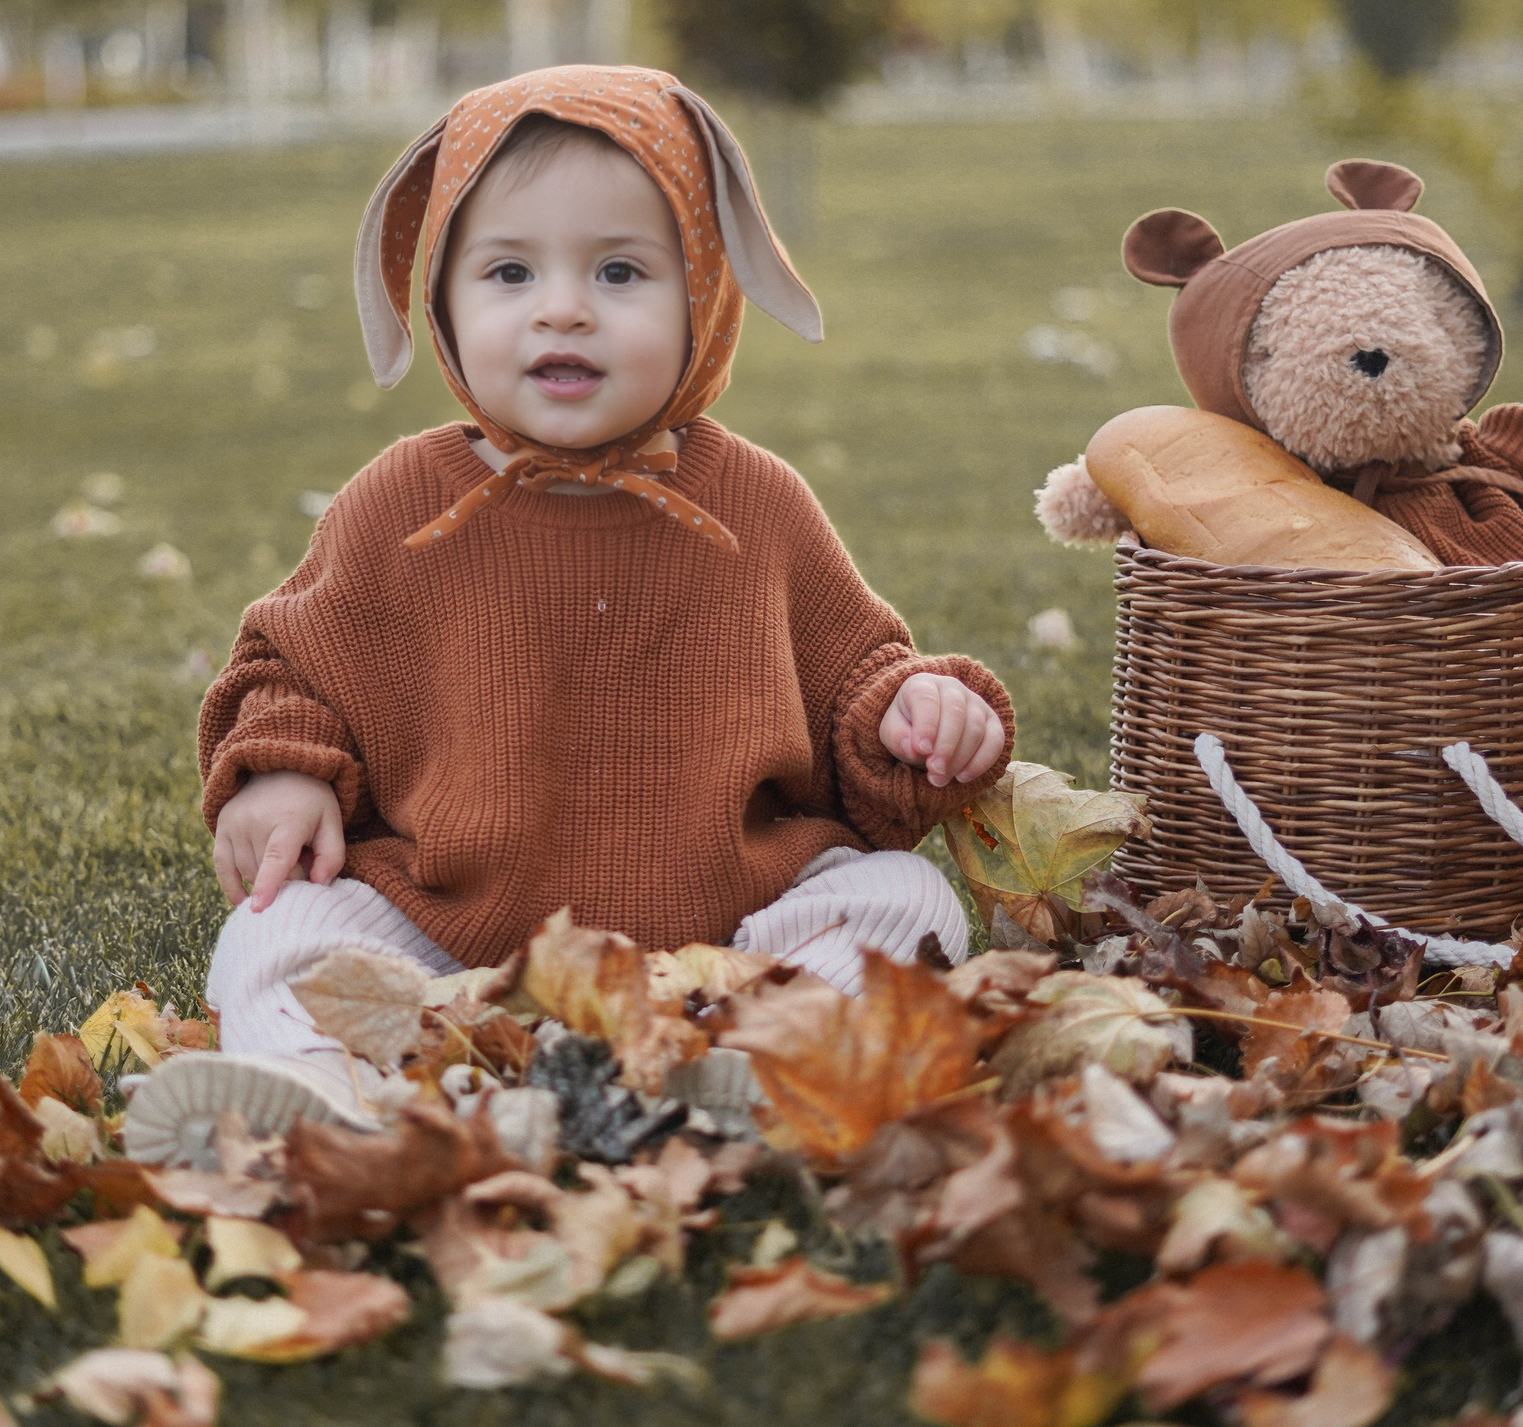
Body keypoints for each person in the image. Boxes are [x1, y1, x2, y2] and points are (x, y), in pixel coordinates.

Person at [128, 67, 1012, 1156]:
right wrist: (282, 769)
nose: (562, 307)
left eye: (620, 270)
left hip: (725, 939)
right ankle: (335, 1091)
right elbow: (288, 669)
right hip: (449, 941)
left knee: (903, 896)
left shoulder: (755, 505)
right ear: (441, 302)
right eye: (508, 270)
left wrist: (913, 713)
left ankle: (754, 1062)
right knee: (281, 929)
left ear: (706, 293)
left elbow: (854, 679)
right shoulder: (400, 505)